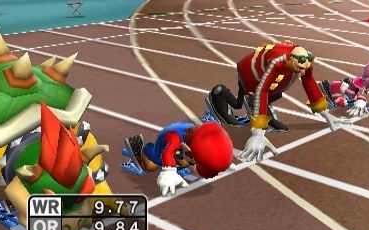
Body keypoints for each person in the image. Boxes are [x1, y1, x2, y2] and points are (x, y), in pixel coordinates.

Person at [208, 41, 348, 161]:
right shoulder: (277, 62)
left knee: (277, 92)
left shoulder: (305, 61)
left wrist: (325, 113)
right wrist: (258, 133)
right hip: (250, 71)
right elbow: (261, 90)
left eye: (304, 68)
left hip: (269, 77)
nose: (302, 72)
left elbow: (309, 82)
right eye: (299, 68)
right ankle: (219, 94)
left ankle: (258, 109)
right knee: (240, 103)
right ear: (290, 60)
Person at [124, 121, 233, 197]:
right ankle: (145, 149)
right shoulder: (175, 137)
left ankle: (180, 157)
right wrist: (169, 171)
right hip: (163, 148)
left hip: (180, 146)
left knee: (184, 163)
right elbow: (167, 153)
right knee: (151, 166)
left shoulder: (197, 136)